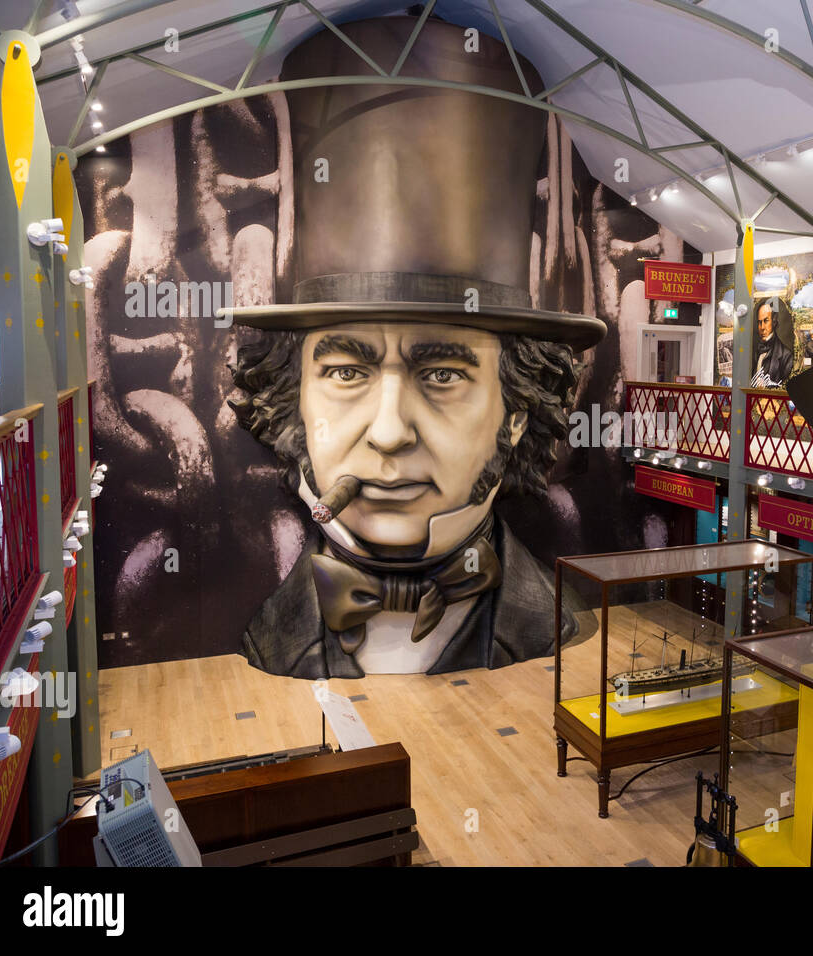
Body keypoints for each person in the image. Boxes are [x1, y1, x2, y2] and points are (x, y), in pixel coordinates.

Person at [226, 16, 606, 678]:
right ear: (295, 401)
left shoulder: (558, 623)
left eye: (443, 375)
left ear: (515, 414)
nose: (390, 432)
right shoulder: (270, 641)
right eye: (346, 372)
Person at [752, 297, 795, 385]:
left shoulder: (786, 355)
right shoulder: (754, 350)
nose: (762, 327)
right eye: (759, 322)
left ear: (774, 321)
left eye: (766, 321)